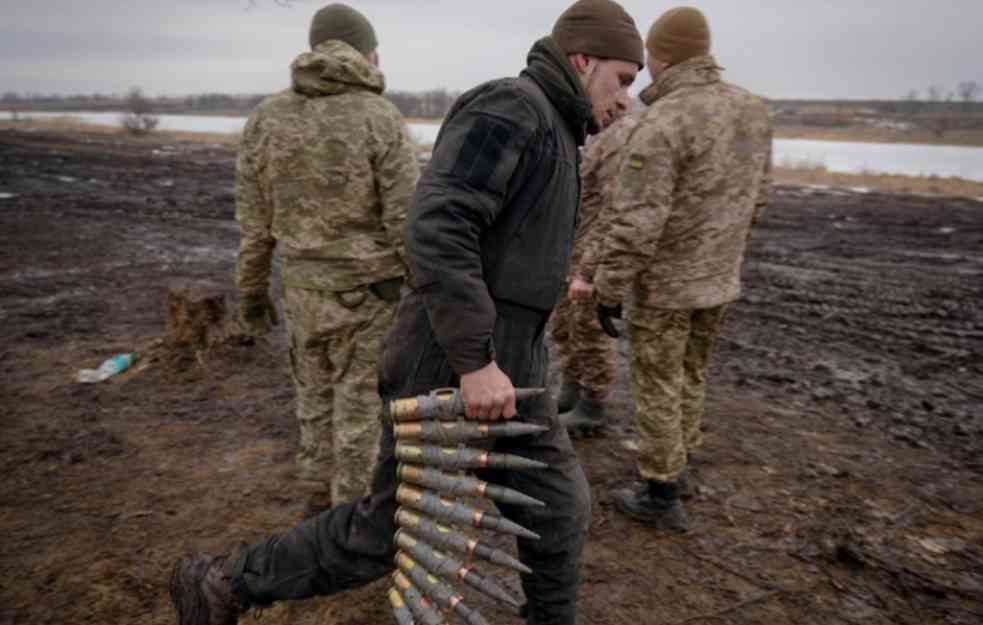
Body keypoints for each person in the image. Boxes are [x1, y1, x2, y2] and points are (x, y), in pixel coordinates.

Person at [169, 2, 643, 625]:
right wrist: (476, 360)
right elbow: (437, 226)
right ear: (583, 61)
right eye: (623, 80)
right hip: (450, 361)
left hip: (514, 366)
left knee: (558, 508)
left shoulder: (556, 126)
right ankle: (224, 583)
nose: (627, 101)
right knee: (387, 532)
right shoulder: (510, 108)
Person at [591, 6, 773, 533]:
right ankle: (679, 463)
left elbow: (638, 220)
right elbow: (757, 198)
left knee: (657, 380)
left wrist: (609, 287)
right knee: (692, 372)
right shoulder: (753, 111)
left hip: (669, 284)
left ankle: (660, 489)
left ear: (658, 54)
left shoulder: (664, 121)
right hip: (719, 278)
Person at [234, 3, 419, 516]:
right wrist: (430, 289)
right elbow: (407, 221)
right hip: (368, 294)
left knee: (313, 398)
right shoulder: (379, 116)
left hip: (300, 291)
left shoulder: (265, 118)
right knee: (359, 409)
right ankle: (351, 521)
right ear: (367, 52)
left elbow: (253, 225)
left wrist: (251, 294)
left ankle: (317, 501)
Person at [553, 111, 639, 437]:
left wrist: (592, 269)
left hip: (593, 253)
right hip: (570, 249)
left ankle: (593, 403)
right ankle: (571, 388)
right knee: (564, 327)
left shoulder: (621, 136)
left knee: (590, 330)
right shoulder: (589, 129)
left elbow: (615, 211)